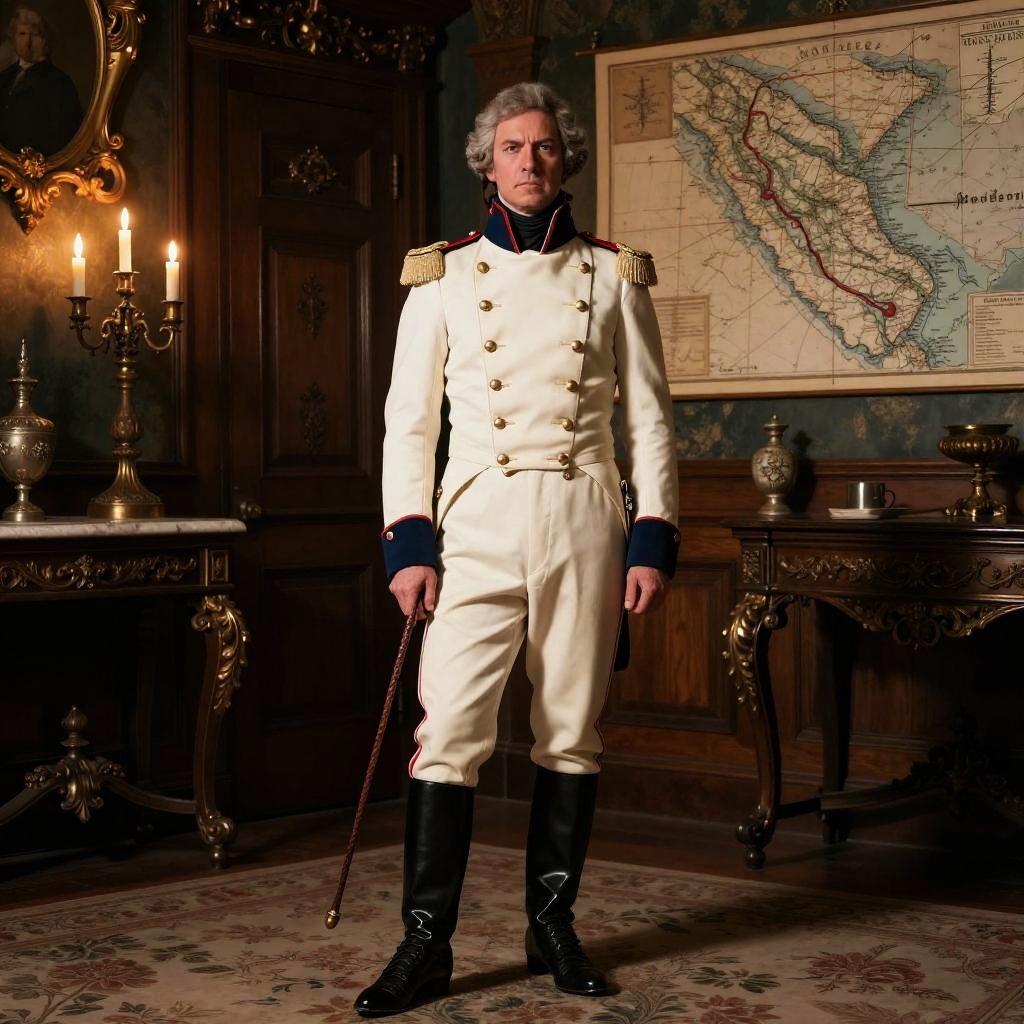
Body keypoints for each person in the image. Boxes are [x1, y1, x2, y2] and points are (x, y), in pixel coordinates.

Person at [356, 80, 679, 1018]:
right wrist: (407, 544)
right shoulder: (444, 275)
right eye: (512, 147)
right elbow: (407, 427)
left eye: (543, 147)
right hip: (477, 526)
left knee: (570, 732)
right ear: (486, 160)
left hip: (585, 519)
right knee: (449, 733)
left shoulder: (615, 274)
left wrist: (651, 539)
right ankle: (426, 944)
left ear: (564, 158)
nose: (529, 161)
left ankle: (552, 926)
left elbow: (654, 425)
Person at [0, 6, 82, 156]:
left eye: (36, 35)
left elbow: (61, 139)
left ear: (47, 41)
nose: (28, 42)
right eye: (22, 34)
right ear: (13, 38)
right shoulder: (4, 76)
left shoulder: (59, 83)